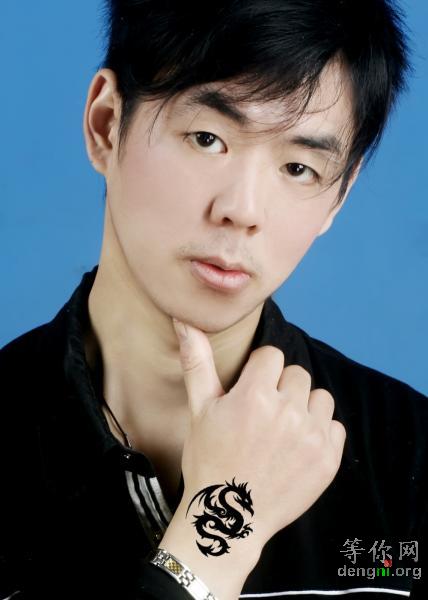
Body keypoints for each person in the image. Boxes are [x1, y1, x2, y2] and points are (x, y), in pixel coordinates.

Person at [1, 0, 426, 599]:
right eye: (208, 139)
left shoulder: (410, 455)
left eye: (298, 168)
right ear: (106, 124)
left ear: (340, 195)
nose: (242, 210)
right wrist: (212, 546)